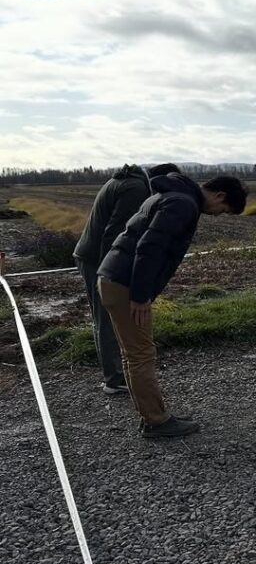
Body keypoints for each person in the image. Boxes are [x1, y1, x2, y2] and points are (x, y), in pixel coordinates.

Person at [97, 173, 247, 438]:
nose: (217, 214)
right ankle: (156, 422)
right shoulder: (183, 204)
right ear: (220, 195)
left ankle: (151, 416)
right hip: (125, 284)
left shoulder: (170, 194)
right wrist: (141, 296)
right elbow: (149, 247)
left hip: (113, 278)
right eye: (223, 210)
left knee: (133, 353)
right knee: (141, 354)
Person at [73, 162, 180, 395]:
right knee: (106, 317)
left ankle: (116, 372)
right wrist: (109, 274)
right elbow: (113, 233)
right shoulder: (135, 189)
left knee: (105, 317)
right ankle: (114, 379)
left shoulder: (128, 181)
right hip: (96, 259)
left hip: (90, 255)